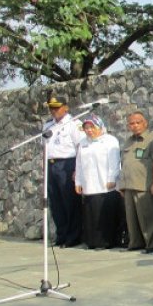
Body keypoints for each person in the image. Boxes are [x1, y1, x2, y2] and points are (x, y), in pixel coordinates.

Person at [118, 111, 153, 253]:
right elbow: (124, 163)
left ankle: (152, 243)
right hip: (128, 185)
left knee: (149, 217)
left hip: (145, 185)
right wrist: (121, 184)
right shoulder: (128, 141)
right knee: (131, 218)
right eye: (132, 123)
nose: (135, 125)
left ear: (145, 123)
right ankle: (135, 243)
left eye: (138, 122)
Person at [74, 115, 123, 249]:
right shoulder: (83, 143)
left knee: (104, 215)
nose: (89, 130)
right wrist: (78, 181)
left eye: (92, 127)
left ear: (100, 127)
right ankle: (92, 242)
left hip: (105, 185)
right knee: (91, 216)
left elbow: (114, 161)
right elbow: (78, 163)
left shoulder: (110, 141)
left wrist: (111, 178)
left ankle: (106, 242)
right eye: (86, 128)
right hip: (89, 184)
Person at [43, 96, 84, 248]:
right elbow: (45, 148)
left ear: (65, 107)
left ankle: (73, 237)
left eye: (57, 107)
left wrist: (77, 170)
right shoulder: (48, 125)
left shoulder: (74, 124)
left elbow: (80, 147)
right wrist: (44, 167)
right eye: (51, 108)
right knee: (55, 202)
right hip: (51, 164)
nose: (54, 111)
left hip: (67, 164)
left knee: (70, 202)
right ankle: (62, 235)